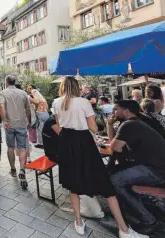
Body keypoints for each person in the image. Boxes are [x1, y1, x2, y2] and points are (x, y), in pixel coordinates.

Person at [53, 77, 144, 238]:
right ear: (76, 87)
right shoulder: (83, 102)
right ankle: (123, 229)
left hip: (66, 142)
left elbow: (60, 125)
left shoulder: (56, 102)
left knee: (72, 183)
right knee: (104, 183)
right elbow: (94, 128)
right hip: (83, 141)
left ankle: (79, 222)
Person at [108, 100, 165, 235]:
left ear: (126, 111)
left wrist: (109, 124)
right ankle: (131, 207)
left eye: (116, 109)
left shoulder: (129, 124)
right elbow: (119, 149)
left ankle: (150, 220)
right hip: (155, 166)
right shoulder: (137, 122)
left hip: (157, 170)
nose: (114, 112)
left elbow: (114, 147)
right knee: (116, 172)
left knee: (114, 180)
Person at [0, 76, 31, 188]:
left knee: (10, 147)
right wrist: (29, 121)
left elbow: (1, 107)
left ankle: (13, 169)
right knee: (22, 148)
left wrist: (4, 120)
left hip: (10, 125)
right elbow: (28, 108)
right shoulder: (23, 93)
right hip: (22, 124)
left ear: (6, 82)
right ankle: (22, 169)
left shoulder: (3, 93)